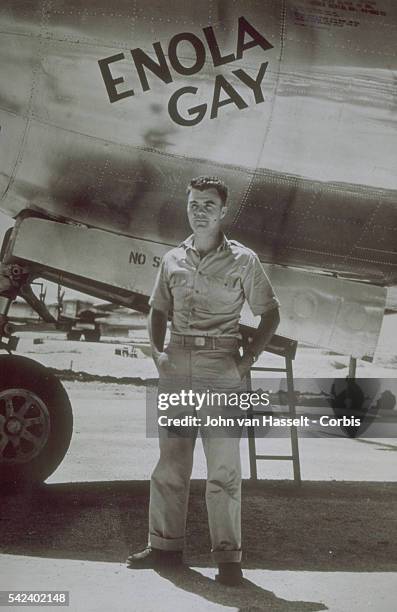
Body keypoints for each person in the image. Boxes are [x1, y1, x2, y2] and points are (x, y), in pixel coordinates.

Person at [127, 176, 280, 585]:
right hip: (176, 366)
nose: (199, 210)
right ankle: (163, 547)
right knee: (170, 463)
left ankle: (228, 559)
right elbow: (157, 310)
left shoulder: (244, 261)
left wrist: (246, 362)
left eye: (208, 204)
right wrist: (159, 354)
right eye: (193, 203)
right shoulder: (172, 259)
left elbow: (270, 314)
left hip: (221, 366)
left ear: (223, 210)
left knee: (224, 467)